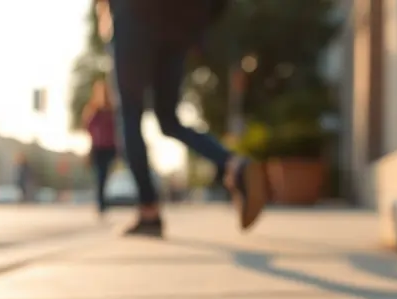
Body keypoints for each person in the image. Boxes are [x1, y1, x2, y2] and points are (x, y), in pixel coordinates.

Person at [97, 0, 267, 238]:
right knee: (169, 120)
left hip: (135, 17)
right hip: (178, 28)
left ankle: (149, 211)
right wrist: (199, 26)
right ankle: (233, 163)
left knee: (130, 114)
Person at [81, 79, 118, 217]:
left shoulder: (112, 110)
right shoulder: (93, 110)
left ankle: (103, 201)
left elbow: (117, 129)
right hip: (97, 147)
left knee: (106, 175)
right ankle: (101, 203)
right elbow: (88, 127)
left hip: (110, 147)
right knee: (100, 175)